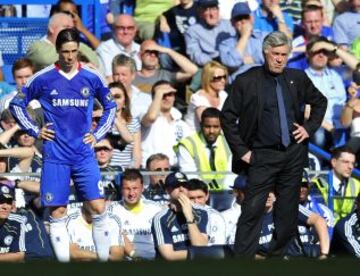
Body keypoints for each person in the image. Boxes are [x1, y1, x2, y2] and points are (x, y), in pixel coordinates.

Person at [9, 28, 117, 262]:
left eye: (74, 51)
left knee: (99, 208)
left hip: (84, 155)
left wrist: (97, 135)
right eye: (65, 51)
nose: (70, 56)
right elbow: (17, 105)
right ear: (57, 50)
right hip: (56, 156)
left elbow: (111, 107)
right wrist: (35, 130)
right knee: (57, 213)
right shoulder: (43, 78)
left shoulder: (91, 75)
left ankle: (104, 264)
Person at [221, 31, 327, 258]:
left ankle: (275, 259)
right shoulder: (247, 81)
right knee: (252, 210)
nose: (280, 59)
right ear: (265, 52)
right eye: (276, 54)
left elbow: (320, 102)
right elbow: (227, 117)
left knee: (287, 214)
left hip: (293, 155)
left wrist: (308, 129)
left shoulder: (297, 78)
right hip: (261, 156)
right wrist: (243, 152)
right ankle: (242, 263)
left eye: (284, 55)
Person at [151, 172, 209, 260]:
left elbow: (200, 246)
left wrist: (189, 216)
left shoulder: (201, 213)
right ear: (167, 190)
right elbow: (169, 255)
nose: (181, 189)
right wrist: (196, 254)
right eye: (176, 186)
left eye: (184, 185)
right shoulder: (161, 218)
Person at [257, 191, 330, 259]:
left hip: (295, 259)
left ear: (276, 196)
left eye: (271, 192)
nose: (268, 195)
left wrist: (324, 254)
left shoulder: (288, 208)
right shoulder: (249, 218)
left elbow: (319, 221)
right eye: (264, 191)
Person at [109, 169, 162, 260]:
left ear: (142, 188)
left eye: (135, 188)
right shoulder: (112, 210)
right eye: (127, 189)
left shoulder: (156, 209)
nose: (131, 193)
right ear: (121, 189)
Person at [177, 107, 234, 192]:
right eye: (207, 126)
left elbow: (230, 174)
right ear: (201, 125)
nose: (211, 131)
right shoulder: (187, 144)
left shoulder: (228, 143)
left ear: (221, 126)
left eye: (216, 127)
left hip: (225, 194)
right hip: (199, 195)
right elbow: (190, 176)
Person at [305, 36, 347, 149]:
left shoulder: (336, 76)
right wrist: (329, 127)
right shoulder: (303, 78)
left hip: (340, 124)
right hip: (320, 125)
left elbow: (343, 103)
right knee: (319, 135)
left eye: (324, 52)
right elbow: (307, 111)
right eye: (317, 52)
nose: (321, 55)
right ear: (308, 54)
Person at [141, 80, 191, 166]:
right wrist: (159, 92)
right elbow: (151, 117)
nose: (167, 98)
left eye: (170, 94)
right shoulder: (143, 114)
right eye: (163, 95)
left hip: (174, 170)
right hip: (151, 169)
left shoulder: (182, 124)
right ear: (155, 97)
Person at [26, 12, 99, 72]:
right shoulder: (36, 47)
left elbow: (94, 61)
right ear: (51, 29)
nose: (70, 31)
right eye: (66, 27)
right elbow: (47, 59)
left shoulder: (79, 45)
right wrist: (81, 65)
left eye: (72, 28)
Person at [219, 2, 267, 83]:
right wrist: (244, 36)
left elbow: (273, 58)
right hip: (240, 86)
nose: (243, 21)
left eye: (246, 17)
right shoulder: (225, 44)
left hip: (263, 82)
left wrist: (251, 59)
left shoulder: (264, 37)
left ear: (251, 19)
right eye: (239, 18)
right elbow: (232, 63)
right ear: (232, 22)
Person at [312, 146, 360, 223]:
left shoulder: (357, 184)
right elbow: (318, 213)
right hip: (325, 229)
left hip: (347, 231)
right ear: (334, 162)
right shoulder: (318, 183)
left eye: (353, 163)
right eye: (346, 162)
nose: (350, 167)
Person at [133, 39, 198, 94]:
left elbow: (193, 70)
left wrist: (168, 51)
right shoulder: (131, 76)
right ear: (139, 55)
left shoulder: (165, 74)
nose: (153, 55)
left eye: (155, 52)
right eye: (148, 52)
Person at [184, 0, 236, 67]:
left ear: (218, 10)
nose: (211, 14)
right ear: (201, 13)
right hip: (210, 66)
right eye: (207, 10)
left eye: (214, 9)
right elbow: (195, 54)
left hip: (232, 61)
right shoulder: (192, 31)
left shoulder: (229, 25)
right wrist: (215, 64)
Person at [184, 61, 228, 132]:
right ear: (208, 78)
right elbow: (209, 123)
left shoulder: (223, 95)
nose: (223, 80)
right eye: (218, 78)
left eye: (224, 77)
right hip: (195, 139)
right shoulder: (197, 98)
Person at [97, 14, 141, 82]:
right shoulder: (105, 49)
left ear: (135, 30)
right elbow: (110, 78)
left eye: (130, 28)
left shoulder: (139, 48)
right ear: (114, 29)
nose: (125, 32)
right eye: (121, 28)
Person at [288, 4, 333, 70]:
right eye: (309, 22)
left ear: (322, 21)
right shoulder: (295, 44)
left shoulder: (329, 33)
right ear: (302, 24)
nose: (313, 25)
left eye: (316, 21)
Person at [111, 54, 152, 125]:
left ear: (133, 75)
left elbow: (148, 122)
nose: (120, 78)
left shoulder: (145, 99)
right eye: (116, 74)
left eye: (124, 74)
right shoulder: (104, 97)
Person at [108, 81, 141, 169]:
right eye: (110, 97)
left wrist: (130, 176)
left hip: (125, 172)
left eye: (117, 97)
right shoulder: (98, 121)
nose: (113, 100)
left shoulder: (133, 122)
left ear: (125, 101)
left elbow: (136, 156)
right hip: (101, 172)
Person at [187, 178, 226, 246]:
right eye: (191, 198)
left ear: (207, 196)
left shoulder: (215, 217)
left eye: (199, 197)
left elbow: (216, 248)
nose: (196, 202)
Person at [299, 170, 335, 239]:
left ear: (309, 186)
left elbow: (328, 239)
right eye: (296, 185)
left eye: (303, 185)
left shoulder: (324, 212)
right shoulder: (281, 211)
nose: (300, 189)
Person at [0, 183, 26, 262]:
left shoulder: (17, 221)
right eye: (0, 201)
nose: (5, 206)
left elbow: (20, 256)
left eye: (8, 202)